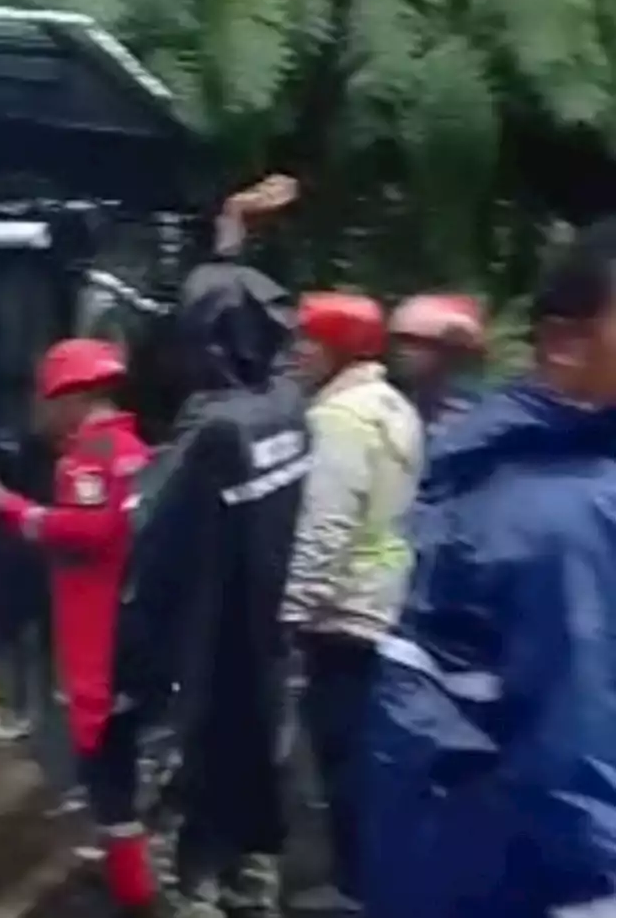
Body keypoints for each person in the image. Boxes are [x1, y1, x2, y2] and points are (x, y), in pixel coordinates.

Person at [362, 218, 617, 918]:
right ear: (565, 344)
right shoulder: (564, 512)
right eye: (412, 344)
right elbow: (579, 766)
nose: (422, 357)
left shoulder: (487, 455)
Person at [119, 191, 310, 918]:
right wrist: (230, 238)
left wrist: (130, 669)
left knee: (181, 846)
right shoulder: (289, 405)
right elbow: (256, 323)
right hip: (265, 653)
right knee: (256, 821)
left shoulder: (210, 435)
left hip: (199, 667)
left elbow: (148, 548)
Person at [0, 338, 158, 914]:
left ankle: (132, 889)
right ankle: (124, 865)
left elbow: (90, 532)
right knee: (118, 755)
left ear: (72, 397)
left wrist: (11, 507)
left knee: (106, 766)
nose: (41, 414)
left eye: (47, 400)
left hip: (99, 632)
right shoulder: (132, 448)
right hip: (129, 622)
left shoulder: (87, 457)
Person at [282, 293, 423, 915]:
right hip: (385, 604)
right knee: (366, 754)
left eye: (308, 341)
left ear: (337, 347)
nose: (297, 352)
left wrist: (290, 611)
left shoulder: (338, 418)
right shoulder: (395, 407)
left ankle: (357, 889)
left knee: (342, 760)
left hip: (342, 614)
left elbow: (325, 526)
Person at [387, 293, 485, 437]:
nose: (402, 351)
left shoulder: (464, 416)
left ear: (448, 349)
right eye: (400, 341)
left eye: (415, 342)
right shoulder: (401, 400)